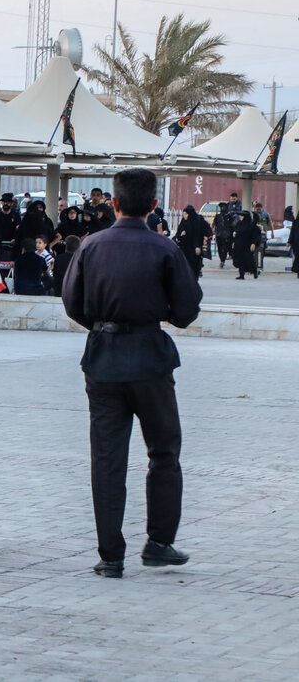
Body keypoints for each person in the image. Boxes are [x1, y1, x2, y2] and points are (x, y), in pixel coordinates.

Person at [61, 168, 201, 579]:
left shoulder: (91, 246)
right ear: (154, 205)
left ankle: (111, 556)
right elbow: (187, 310)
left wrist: (102, 326)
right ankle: (159, 543)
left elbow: (73, 302)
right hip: (150, 361)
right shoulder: (164, 249)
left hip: (103, 360)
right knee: (163, 451)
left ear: (114, 204)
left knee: (107, 458)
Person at [174, 205, 211, 280]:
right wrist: (181, 234)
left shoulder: (199, 220)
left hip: (195, 249)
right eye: (184, 214)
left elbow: (207, 231)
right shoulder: (183, 222)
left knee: (195, 267)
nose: (184, 216)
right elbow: (177, 235)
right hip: (184, 248)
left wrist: (204, 239)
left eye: (186, 214)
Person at [231, 209, 262, 280]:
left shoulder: (251, 225)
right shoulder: (239, 223)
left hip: (247, 245)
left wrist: (254, 243)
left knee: (249, 260)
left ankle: (255, 272)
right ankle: (241, 275)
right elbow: (236, 230)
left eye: (242, 216)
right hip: (239, 245)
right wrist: (234, 233)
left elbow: (255, 235)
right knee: (240, 260)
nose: (241, 217)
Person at [0, 193, 20, 261]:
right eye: (4, 202)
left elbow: (18, 228)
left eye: (8, 202)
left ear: (11, 203)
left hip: (11, 245)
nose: (6, 204)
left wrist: (16, 238)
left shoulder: (15, 215)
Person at [212, 202, 232, 267]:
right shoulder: (217, 216)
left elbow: (232, 225)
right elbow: (214, 224)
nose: (223, 208)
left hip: (226, 235)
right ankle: (221, 260)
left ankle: (223, 260)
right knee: (219, 248)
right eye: (222, 207)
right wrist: (213, 231)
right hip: (219, 234)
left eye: (224, 207)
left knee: (225, 248)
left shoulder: (229, 216)